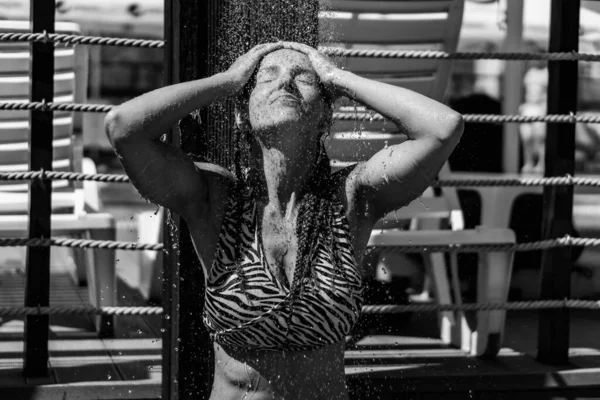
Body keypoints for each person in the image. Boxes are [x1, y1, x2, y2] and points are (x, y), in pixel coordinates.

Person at [105, 42, 463, 400]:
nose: (285, 83)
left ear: (325, 116)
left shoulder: (352, 199)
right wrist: (228, 81)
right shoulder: (215, 200)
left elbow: (443, 128)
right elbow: (123, 127)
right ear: (242, 115)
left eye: (303, 77)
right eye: (266, 78)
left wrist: (337, 77)